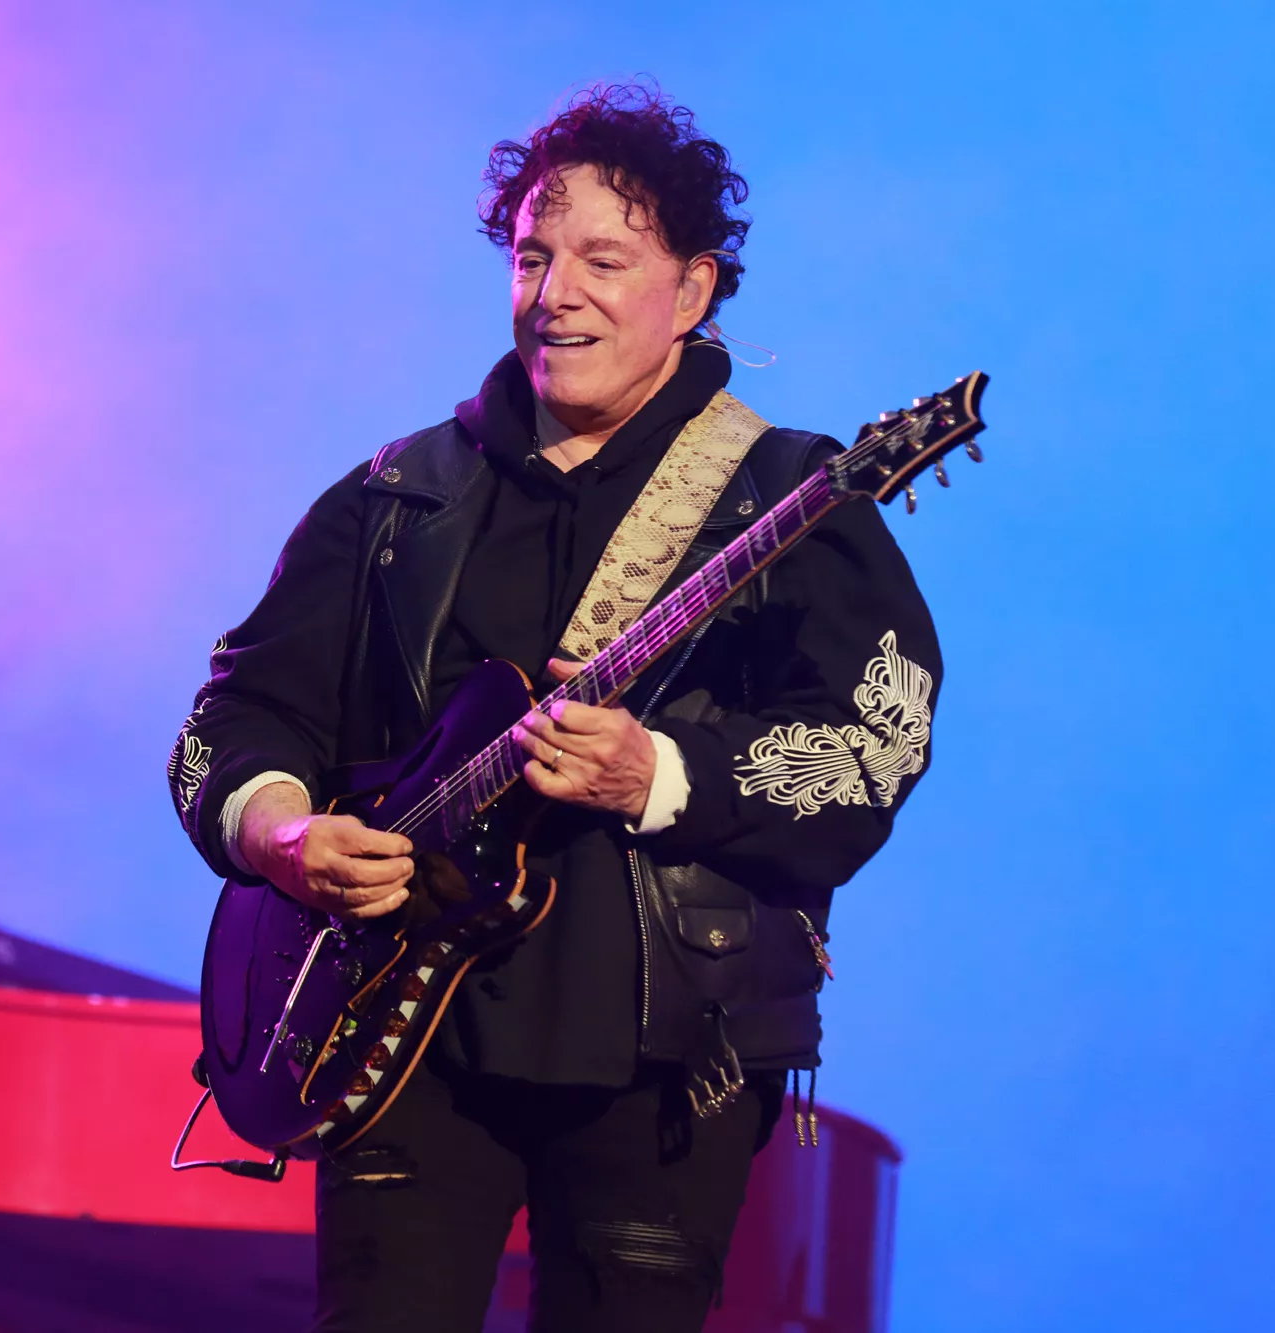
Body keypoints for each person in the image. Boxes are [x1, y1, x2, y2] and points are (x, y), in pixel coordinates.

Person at [167, 85, 941, 1333]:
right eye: (532, 257)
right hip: (396, 1038)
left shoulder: (792, 500)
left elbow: (873, 745)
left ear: (690, 290)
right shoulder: (394, 498)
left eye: (603, 260)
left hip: (662, 1059)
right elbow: (233, 715)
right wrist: (282, 835)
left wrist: (660, 774)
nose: (555, 293)